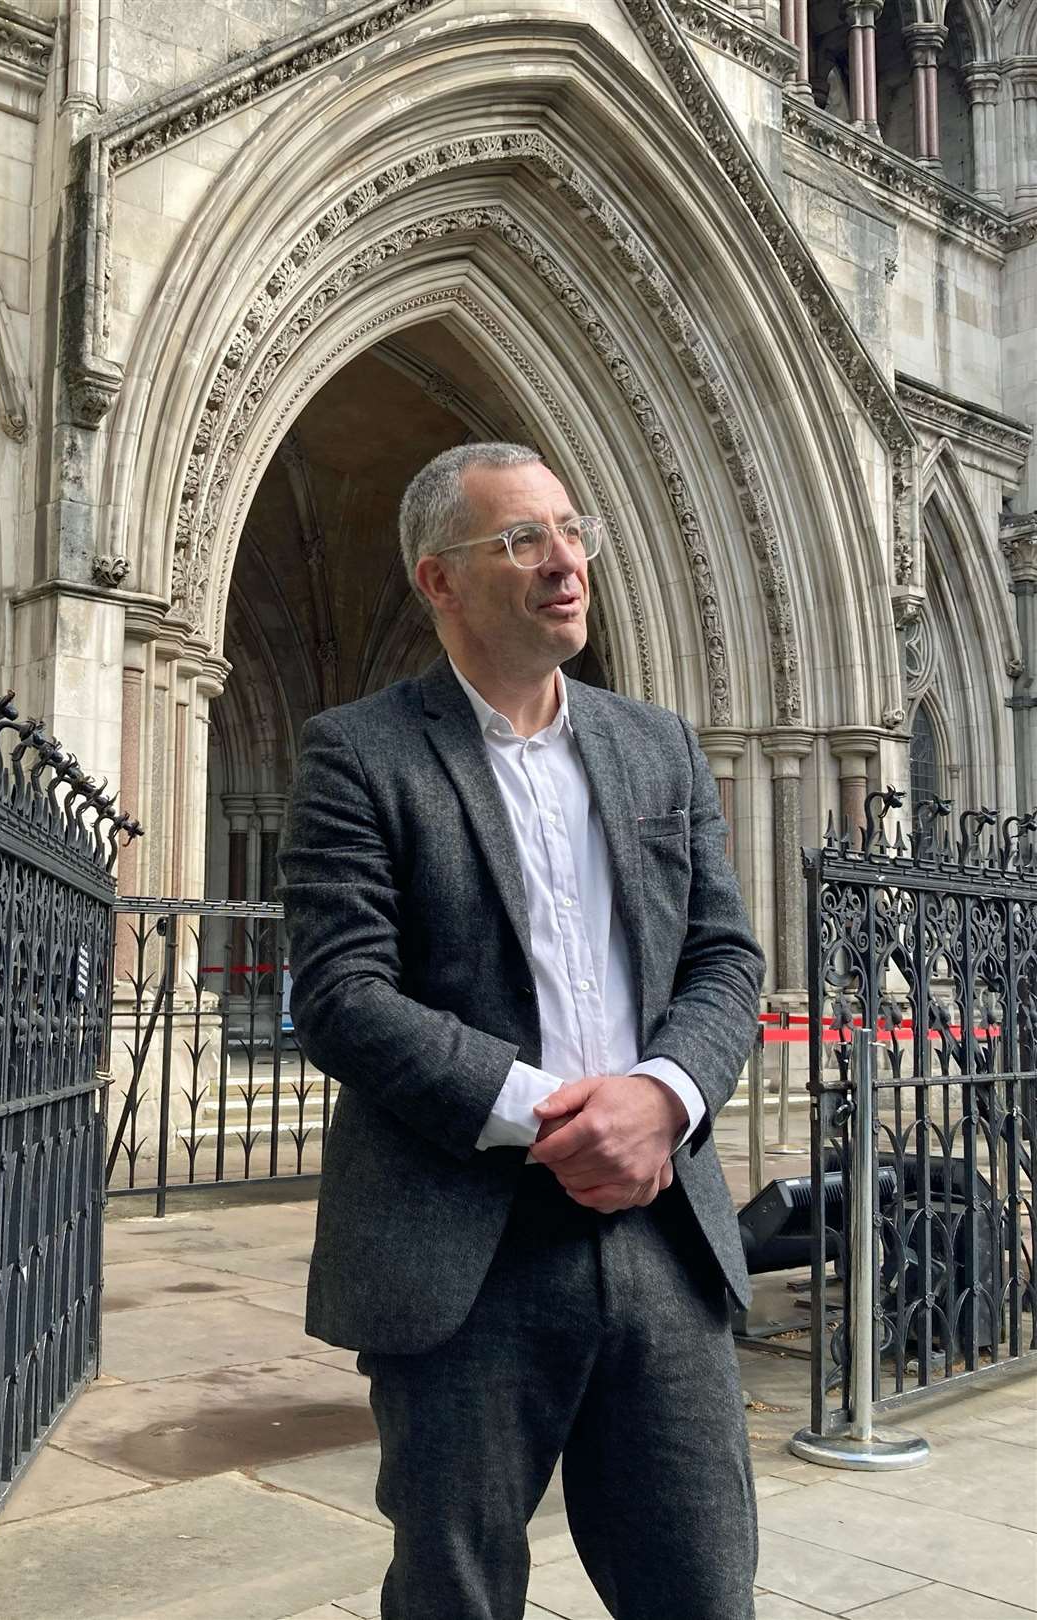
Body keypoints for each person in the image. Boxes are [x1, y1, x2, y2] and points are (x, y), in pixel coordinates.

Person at [278, 442, 766, 1620]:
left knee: (703, 1590)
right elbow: (343, 991)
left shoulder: (659, 745)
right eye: (523, 539)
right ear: (439, 580)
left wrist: (661, 1097)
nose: (567, 562)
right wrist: (545, 1117)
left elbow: (727, 957)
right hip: (465, 1251)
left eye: (572, 528)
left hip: (664, 1238)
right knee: (457, 1594)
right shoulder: (359, 753)